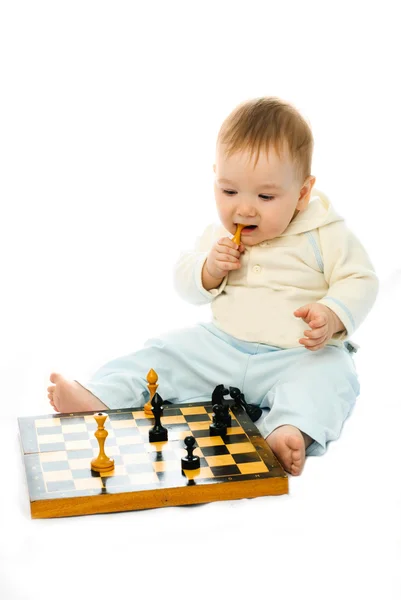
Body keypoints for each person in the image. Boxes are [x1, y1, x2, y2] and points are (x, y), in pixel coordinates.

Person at [47, 96, 379, 475]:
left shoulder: (325, 233)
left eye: (266, 196)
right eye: (229, 191)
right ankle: (101, 395)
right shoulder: (219, 235)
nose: (244, 209)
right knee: (166, 351)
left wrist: (333, 313)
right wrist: (209, 270)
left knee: (330, 375)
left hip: (296, 356)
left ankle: (288, 430)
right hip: (221, 347)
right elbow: (184, 281)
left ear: (302, 193)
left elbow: (361, 280)